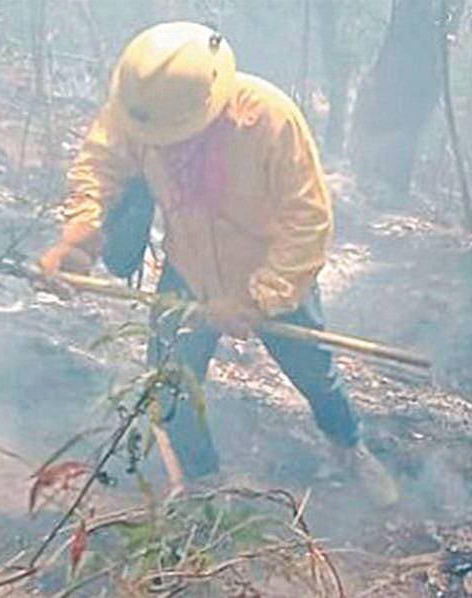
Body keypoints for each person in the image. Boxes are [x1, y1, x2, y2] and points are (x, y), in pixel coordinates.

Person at [39, 21, 398, 505]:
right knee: (169, 384)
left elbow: (307, 222)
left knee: (315, 374)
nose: (162, 143)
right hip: (187, 269)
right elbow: (100, 167)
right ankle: (205, 483)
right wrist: (80, 236)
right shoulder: (140, 110)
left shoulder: (269, 120)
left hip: (271, 274)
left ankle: (349, 447)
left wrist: (256, 298)